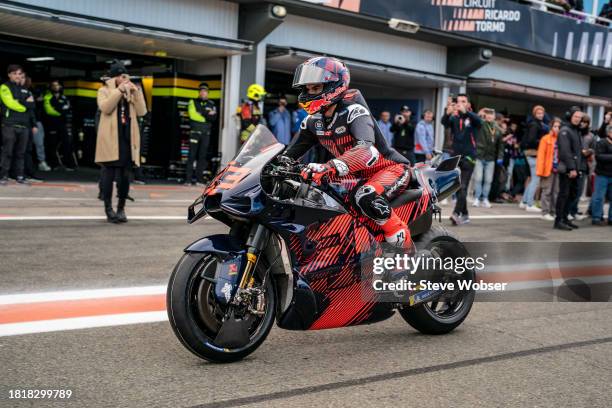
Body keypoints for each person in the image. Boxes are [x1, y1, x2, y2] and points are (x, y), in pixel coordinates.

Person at [283, 56, 415, 250]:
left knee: (365, 196)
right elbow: (290, 153)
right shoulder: (312, 121)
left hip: (390, 169)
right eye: (308, 88)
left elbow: (366, 149)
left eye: (316, 88)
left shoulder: (355, 111)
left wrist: (329, 166)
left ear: (335, 85)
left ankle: (406, 255)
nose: (309, 93)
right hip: (354, 174)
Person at [95, 61, 147, 223]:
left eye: (124, 75)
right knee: (108, 177)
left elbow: (142, 111)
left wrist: (136, 92)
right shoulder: (103, 91)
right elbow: (106, 108)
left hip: (126, 140)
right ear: (112, 77)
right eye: (118, 75)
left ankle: (121, 208)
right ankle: (108, 208)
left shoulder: (130, 92)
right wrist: (118, 91)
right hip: (110, 141)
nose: (122, 78)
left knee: (125, 178)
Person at [441, 93, 482, 225]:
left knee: (463, 185)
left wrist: (467, 112)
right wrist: (447, 113)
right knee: (458, 187)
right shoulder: (454, 118)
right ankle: (465, 214)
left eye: (463, 101)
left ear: (468, 104)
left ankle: (456, 213)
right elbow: (444, 123)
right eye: (458, 102)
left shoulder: (473, 118)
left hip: (469, 157)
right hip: (456, 156)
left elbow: (480, 122)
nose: (460, 104)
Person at [0, 64, 37, 185]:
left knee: (21, 153)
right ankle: (3, 176)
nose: (18, 76)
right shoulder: (4, 87)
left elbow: (33, 106)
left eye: (20, 74)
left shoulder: (25, 89)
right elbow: (10, 103)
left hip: (24, 125)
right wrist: (24, 105)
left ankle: (20, 176)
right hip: (9, 124)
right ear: (9, 74)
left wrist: (21, 102)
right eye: (15, 73)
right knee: (8, 151)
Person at [554, 106, 583, 231]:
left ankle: (565, 218)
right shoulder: (565, 130)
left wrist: (577, 168)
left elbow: (576, 151)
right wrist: (572, 168)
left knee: (572, 195)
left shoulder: (575, 130)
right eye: (576, 116)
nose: (577, 119)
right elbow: (565, 152)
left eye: (579, 117)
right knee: (564, 195)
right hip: (567, 168)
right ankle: (558, 221)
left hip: (575, 169)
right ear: (570, 116)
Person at [185, 82, 217, 185]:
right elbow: (192, 116)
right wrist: (206, 114)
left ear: (208, 93)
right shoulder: (192, 102)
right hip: (195, 132)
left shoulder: (211, 104)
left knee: (202, 157)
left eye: (205, 91)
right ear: (199, 92)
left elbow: (213, 118)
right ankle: (188, 180)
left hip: (206, 133)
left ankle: (199, 180)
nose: (203, 93)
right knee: (191, 156)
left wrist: (201, 112)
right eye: (202, 91)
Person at [520, 105, 549, 212]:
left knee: (533, 179)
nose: (540, 115)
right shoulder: (534, 125)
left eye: (542, 113)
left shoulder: (535, 124)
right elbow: (532, 140)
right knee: (535, 180)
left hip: (530, 153)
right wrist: (543, 141)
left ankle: (524, 202)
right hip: (533, 154)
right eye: (538, 113)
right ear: (534, 114)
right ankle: (529, 204)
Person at [472, 108, 503, 208]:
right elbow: (475, 119)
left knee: (488, 180)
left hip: (491, 158)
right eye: (488, 114)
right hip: (480, 156)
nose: (489, 116)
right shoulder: (481, 124)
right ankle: (477, 198)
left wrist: (500, 157)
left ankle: (485, 198)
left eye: (491, 114)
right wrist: (480, 112)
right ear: (485, 115)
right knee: (478, 178)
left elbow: (501, 146)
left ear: (494, 116)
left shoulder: (498, 129)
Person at [43, 79, 75, 170]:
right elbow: (49, 111)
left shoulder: (64, 98)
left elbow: (68, 108)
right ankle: (53, 164)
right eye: (54, 85)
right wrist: (61, 111)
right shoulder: (47, 97)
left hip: (62, 124)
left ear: (61, 86)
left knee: (66, 144)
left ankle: (69, 165)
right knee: (51, 145)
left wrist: (59, 109)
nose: (56, 87)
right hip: (51, 124)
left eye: (57, 85)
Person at [568, 114, 595, 221]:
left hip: (583, 166)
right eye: (582, 121)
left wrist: (588, 152)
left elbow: (593, 149)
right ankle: (568, 211)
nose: (583, 123)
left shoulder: (590, 136)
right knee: (569, 191)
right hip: (572, 165)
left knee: (578, 192)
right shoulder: (574, 132)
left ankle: (573, 211)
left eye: (586, 122)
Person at [536, 118, 561, 221]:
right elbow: (541, 156)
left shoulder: (562, 139)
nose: (557, 129)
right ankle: (545, 212)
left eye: (559, 127)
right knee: (547, 191)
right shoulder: (545, 139)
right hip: (548, 169)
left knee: (556, 192)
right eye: (555, 126)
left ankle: (553, 211)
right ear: (551, 127)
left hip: (559, 169)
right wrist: (540, 171)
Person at [591, 124, 612, 226]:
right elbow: (599, 156)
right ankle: (596, 217)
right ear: (609, 133)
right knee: (599, 197)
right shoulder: (601, 142)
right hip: (602, 175)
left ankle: (611, 218)